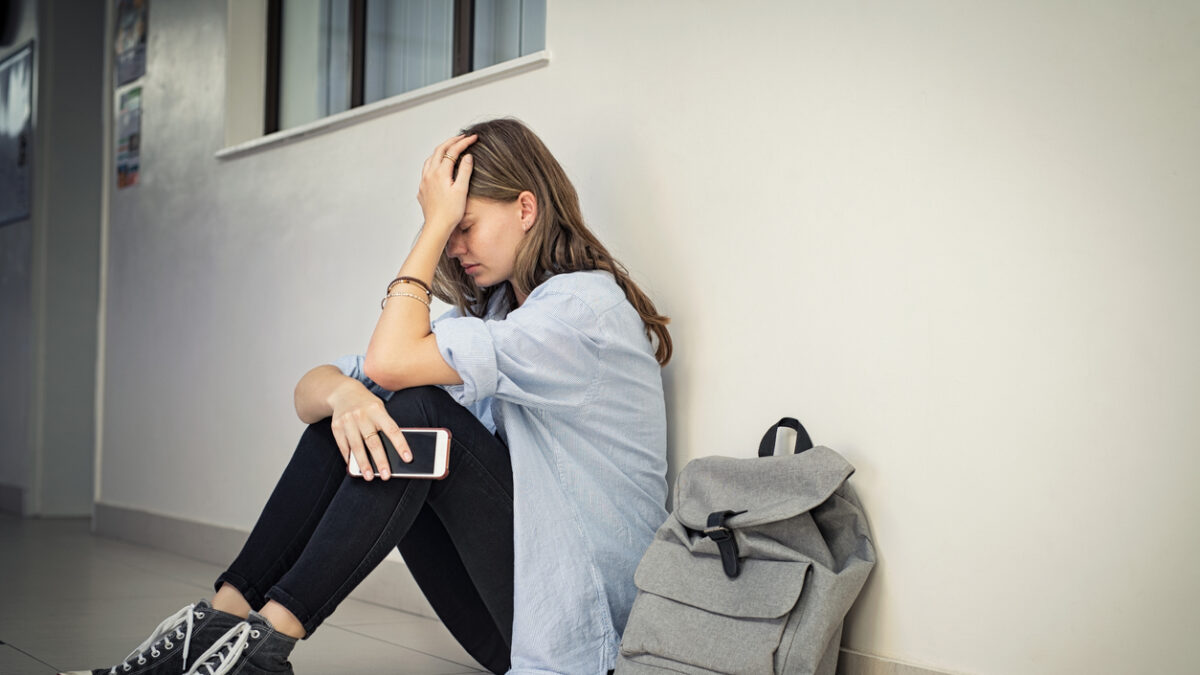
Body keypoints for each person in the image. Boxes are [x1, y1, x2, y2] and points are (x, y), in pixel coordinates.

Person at [68, 118, 672, 675]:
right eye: (449, 229)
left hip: (586, 634)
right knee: (356, 410)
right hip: (518, 621)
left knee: (413, 412)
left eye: (465, 227)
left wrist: (433, 224)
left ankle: (262, 649)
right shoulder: (500, 315)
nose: (456, 248)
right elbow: (313, 389)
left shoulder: (581, 310)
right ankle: (222, 626)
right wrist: (345, 397)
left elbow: (389, 363)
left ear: (525, 208)